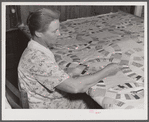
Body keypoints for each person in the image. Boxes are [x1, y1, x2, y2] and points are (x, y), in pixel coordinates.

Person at [18, 8, 120, 109]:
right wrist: (107, 71)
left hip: (46, 101)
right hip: (49, 110)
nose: (59, 34)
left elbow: (50, 74)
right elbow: (75, 87)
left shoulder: (35, 49)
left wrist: (71, 73)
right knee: (91, 102)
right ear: (38, 33)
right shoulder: (37, 58)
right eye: (54, 31)